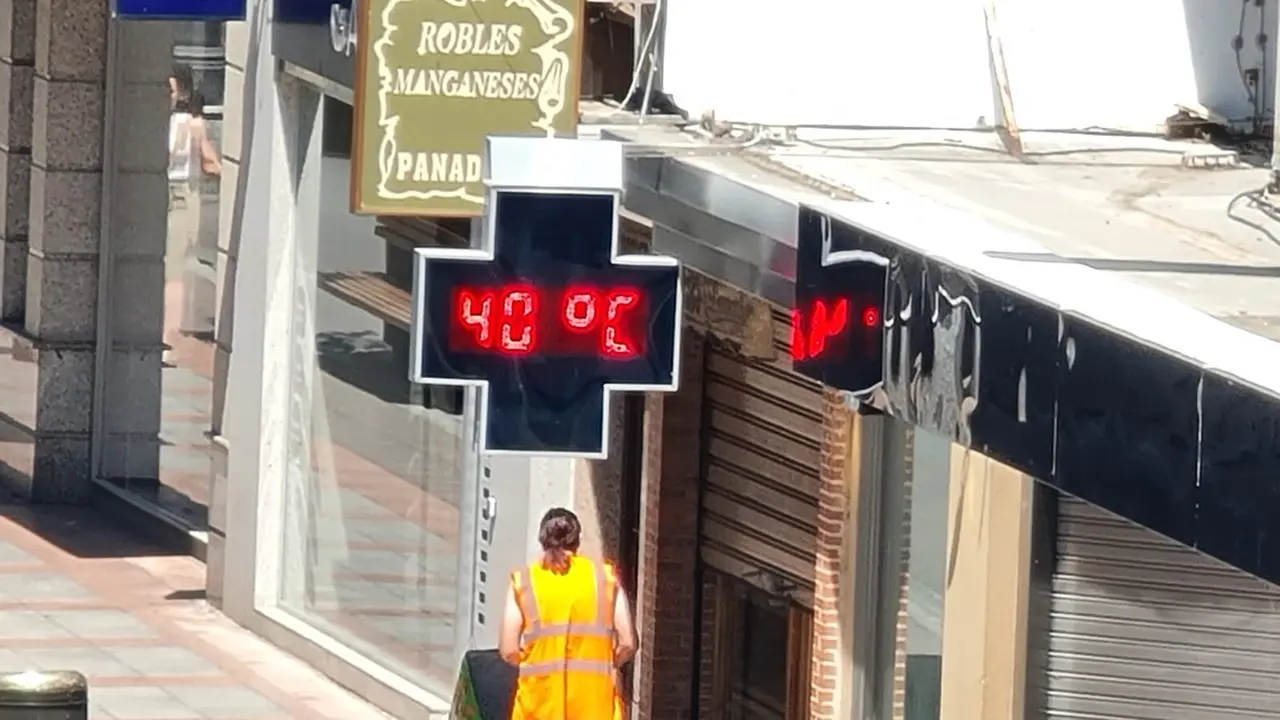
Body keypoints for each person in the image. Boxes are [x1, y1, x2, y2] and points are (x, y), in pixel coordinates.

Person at [500, 508, 637, 720]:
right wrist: (606, 664)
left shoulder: (524, 581)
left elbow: (509, 650)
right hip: (595, 709)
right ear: (577, 540)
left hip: (538, 708)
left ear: (542, 539)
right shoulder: (604, 578)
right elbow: (628, 643)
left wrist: (537, 664)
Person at [164, 64, 221, 366]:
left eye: (171, 91)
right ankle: (165, 337)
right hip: (175, 193)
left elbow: (209, 162)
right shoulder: (187, 123)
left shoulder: (184, 124)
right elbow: (212, 165)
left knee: (173, 270)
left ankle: (167, 337)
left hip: (178, 194)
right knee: (170, 269)